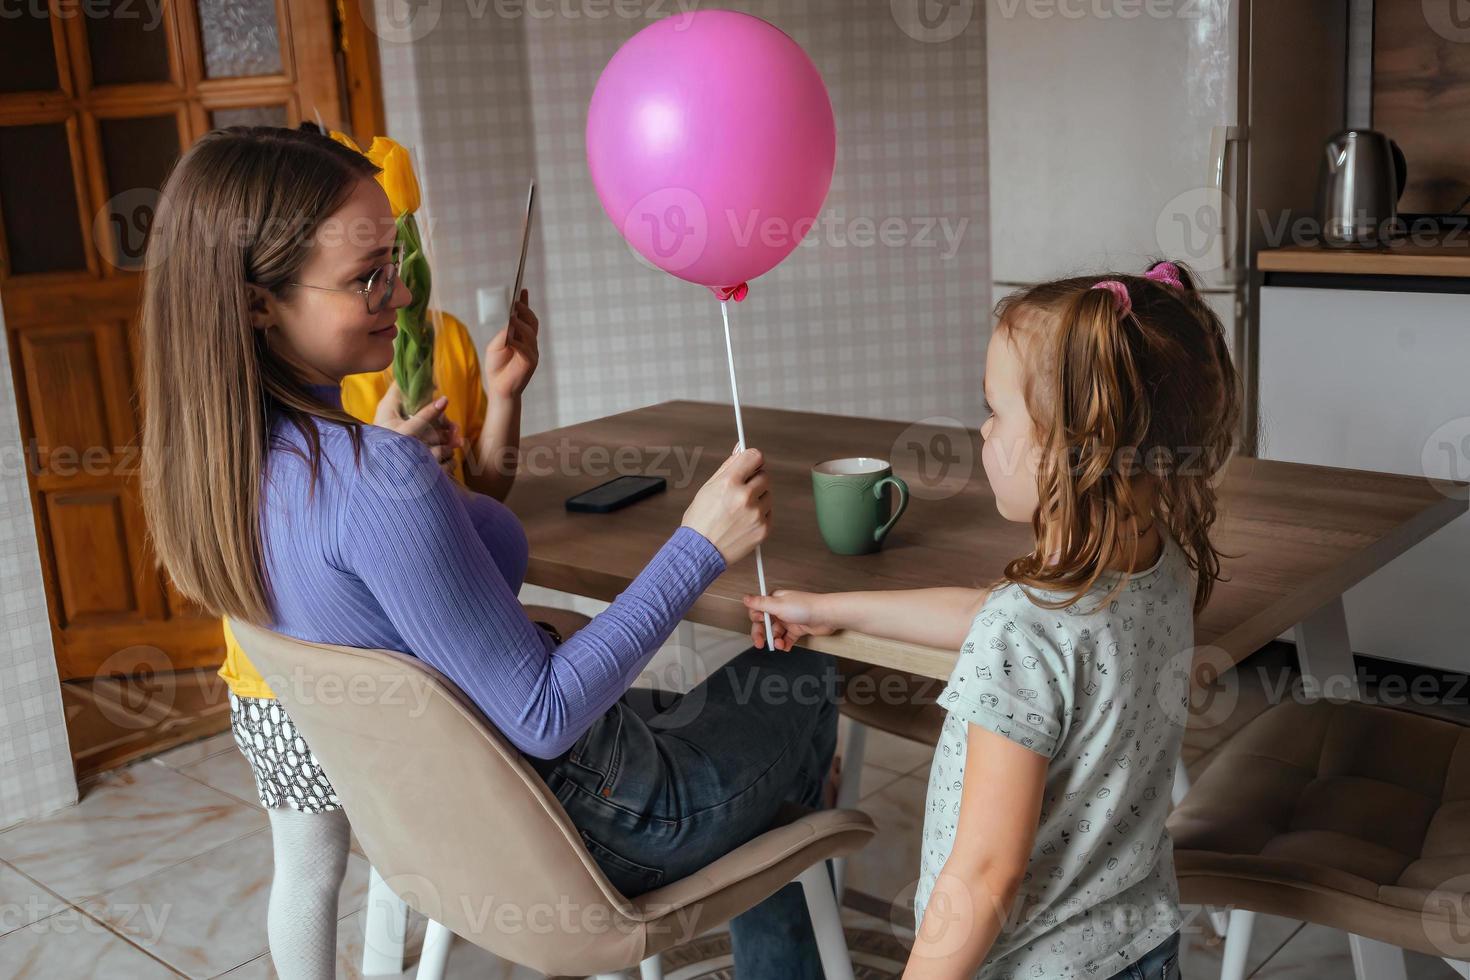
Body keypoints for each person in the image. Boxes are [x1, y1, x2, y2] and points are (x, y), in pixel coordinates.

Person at [140, 125, 837, 980]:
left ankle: (765, 851)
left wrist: (414, 475)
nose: (398, 296)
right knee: (797, 676)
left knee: (704, 712)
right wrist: (700, 544)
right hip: (584, 832)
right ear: (257, 303)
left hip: (454, 840)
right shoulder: (372, 478)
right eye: (367, 278)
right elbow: (541, 715)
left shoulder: (227, 472)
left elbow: (420, 582)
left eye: (395, 261)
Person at [747, 262, 1241, 979]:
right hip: (1139, 946)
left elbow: (983, 875)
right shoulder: (1156, 563)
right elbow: (993, 618)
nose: (982, 429)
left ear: (1077, 448)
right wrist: (828, 609)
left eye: (997, 410)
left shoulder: (1028, 628)